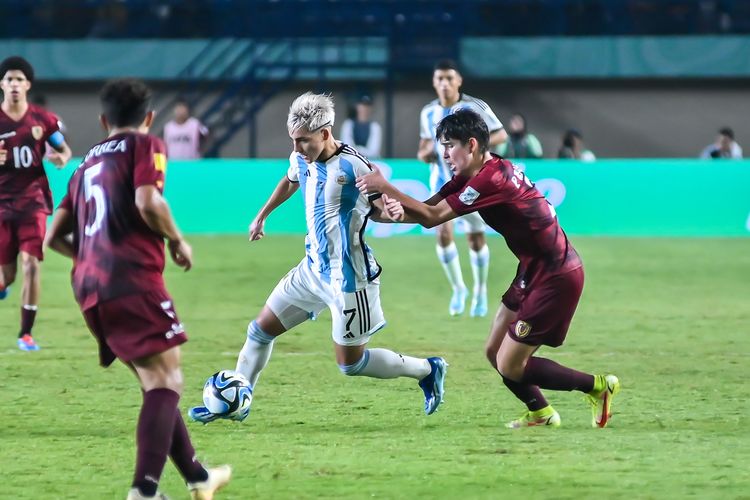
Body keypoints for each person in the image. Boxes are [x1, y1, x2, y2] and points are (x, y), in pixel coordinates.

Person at [188, 92, 447, 424]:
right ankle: (240, 402)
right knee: (259, 331)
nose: (297, 148)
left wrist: (393, 209)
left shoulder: (355, 166)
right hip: (311, 270)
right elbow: (290, 179)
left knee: (350, 364)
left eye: (303, 141)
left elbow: (381, 208)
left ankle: (427, 369)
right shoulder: (301, 158)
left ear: (326, 133)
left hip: (350, 279)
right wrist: (262, 215)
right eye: (293, 140)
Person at [357, 109, 620, 429]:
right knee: (494, 351)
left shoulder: (490, 179)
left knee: (510, 364)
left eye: (449, 146)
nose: (444, 155)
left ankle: (597, 386)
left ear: (470, 145)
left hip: (556, 275)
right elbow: (429, 208)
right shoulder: (477, 170)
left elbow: (430, 217)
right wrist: (379, 211)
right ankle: (541, 413)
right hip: (532, 269)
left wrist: (386, 185)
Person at [44, 78, 230, 500]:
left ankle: (199, 478)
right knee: (167, 381)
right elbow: (149, 201)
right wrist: (177, 241)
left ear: (103, 120)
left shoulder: (84, 164)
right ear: (149, 118)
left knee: (155, 380)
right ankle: (143, 492)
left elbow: (53, 237)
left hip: (88, 287)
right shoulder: (146, 145)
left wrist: (92, 259)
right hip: (130, 279)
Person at [418, 59, 507, 318]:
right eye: (439, 79)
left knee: (474, 238)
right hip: (442, 181)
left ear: (459, 81)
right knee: (442, 234)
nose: (444, 83)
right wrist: (425, 153)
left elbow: (500, 134)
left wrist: (474, 150)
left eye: (449, 78)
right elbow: (424, 145)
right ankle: (459, 289)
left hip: (472, 182)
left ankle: (480, 291)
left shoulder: (474, 106)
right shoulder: (427, 113)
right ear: (434, 83)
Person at [0, 56, 72, 351]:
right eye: (9, 79)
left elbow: (64, 148)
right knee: (7, 275)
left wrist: (62, 157)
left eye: (19, 79)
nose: (14, 84)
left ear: (27, 85)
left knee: (32, 264)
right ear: (1, 84)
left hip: (34, 202)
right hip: (2, 205)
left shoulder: (43, 119)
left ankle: (25, 334)